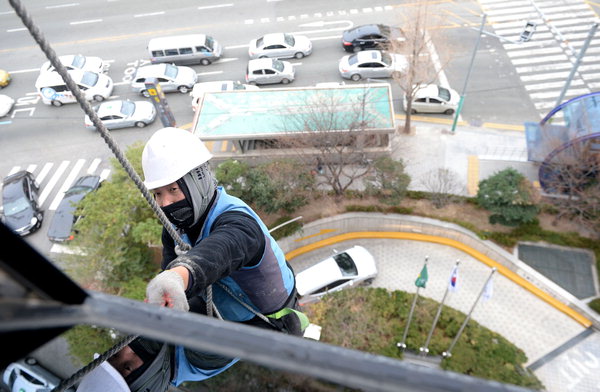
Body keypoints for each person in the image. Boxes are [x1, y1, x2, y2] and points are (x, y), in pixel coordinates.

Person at [77, 127, 307, 392]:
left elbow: (225, 247)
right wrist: (173, 280)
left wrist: (176, 276)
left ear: (198, 179)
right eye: (158, 194)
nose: (164, 203)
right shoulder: (202, 356)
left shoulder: (237, 223)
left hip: (263, 312)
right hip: (239, 320)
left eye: (173, 190)